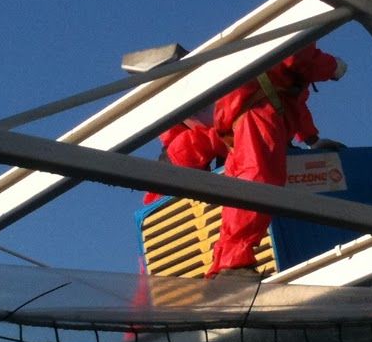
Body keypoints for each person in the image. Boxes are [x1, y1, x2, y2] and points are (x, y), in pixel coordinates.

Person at [147, 43, 347, 278]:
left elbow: (296, 104)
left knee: (237, 187)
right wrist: (334, 66)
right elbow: (299, 56)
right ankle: (233, 262)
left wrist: (313, 140)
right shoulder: (290, 35)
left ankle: (223, 265)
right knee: (258, 180)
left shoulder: (284, 84)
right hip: (255, 114)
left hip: (239, 121)